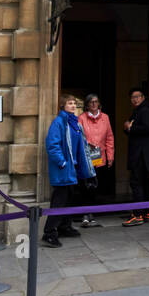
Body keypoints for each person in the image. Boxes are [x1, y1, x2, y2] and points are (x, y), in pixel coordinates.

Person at [44, 94, 95, 247]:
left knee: (69, 199)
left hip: (74, 169)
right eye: (70, 103)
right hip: (64, 169)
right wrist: (62, 162)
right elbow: (52, 145)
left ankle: (64, 226)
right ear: (63, 106)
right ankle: (49, 232)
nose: (73, 106)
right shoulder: (59, 122)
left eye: (74, 103)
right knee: (59, 201)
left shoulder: (75, 123)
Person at [76, 93, 114, 228]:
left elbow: (109, 138)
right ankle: (85, 214)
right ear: (87, 105)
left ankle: (91, 212)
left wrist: (110, 156)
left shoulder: (105, 118)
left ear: (99, 104)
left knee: (96, 185)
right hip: (86, 157)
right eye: (91, 102)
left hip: (100, 157)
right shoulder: (81, 118)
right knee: (85, 185)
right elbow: (78, 137)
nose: (93, 104)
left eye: (96, 102)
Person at [124, 88, 149, 228]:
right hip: (141, 153)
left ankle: (137, 215)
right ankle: (146, 212)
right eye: (132, 97)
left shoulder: (145, 111)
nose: (134, 99)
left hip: (141, 154)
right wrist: (128, 128)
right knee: (143, 182)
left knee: (136, 183)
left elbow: (147, 128)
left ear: (143, 97)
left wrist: (131, 128)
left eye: (137, 96)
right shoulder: (139, 111)